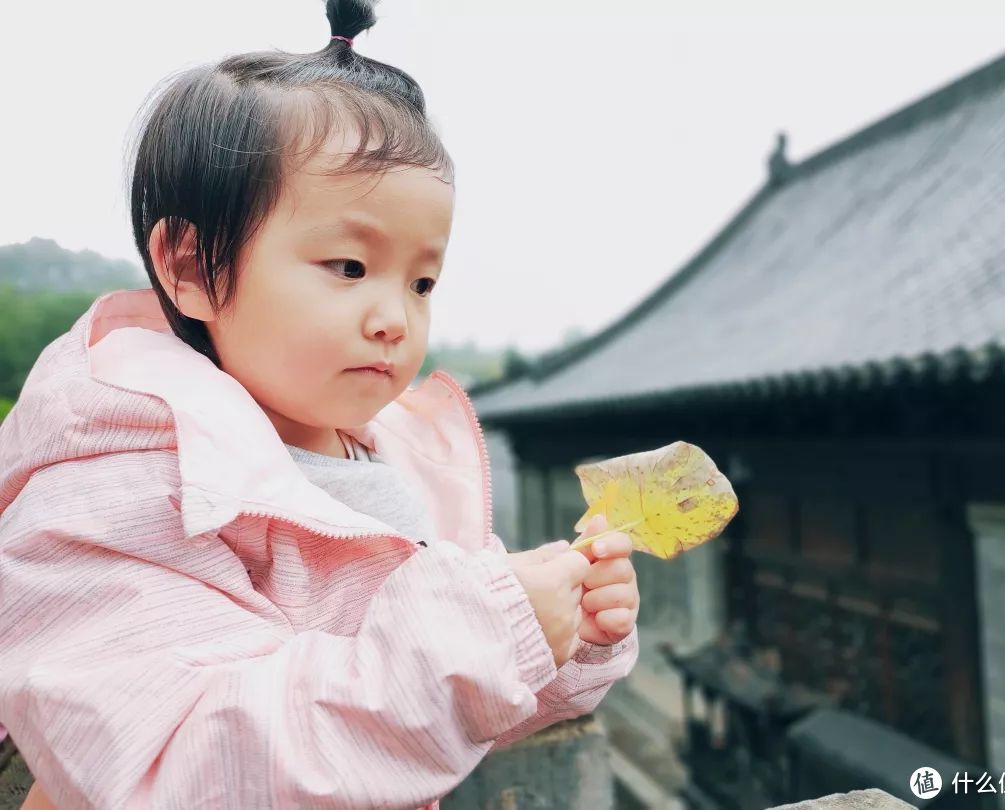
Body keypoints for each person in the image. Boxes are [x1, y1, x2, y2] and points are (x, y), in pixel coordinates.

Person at [0, 1, 640, 807]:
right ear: (191, 266)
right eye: (347, 266)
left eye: (421, 282)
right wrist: (479, 636)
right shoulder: (121, 488)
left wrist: (559, 638)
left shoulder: (391, 463)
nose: (394, 316)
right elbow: (179, 763)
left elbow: (425, 719)